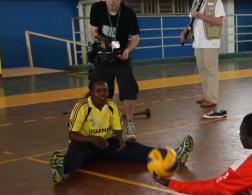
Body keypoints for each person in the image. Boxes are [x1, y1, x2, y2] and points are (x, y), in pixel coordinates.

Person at [49, 79, 193, 185]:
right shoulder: (81, 107)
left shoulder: (112, 105)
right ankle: (60, 170)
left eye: (105, 90)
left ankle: (175, 157)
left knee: (134, 149)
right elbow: (71, 135)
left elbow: (118, 128)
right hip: (85, 143)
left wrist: (121, 139)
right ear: (91, 93)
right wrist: (92, 139)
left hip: (106, 143)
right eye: (98, 91)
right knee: (75, 157)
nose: (102, 94)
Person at [89, 0, 141, 141]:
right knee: (102, 91)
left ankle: (130, 124)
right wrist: (101, 39)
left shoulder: (128, 13)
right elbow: (93, 30)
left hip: (121, 56)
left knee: (128, 88)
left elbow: (135, 38)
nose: (112, 2)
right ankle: (107, 124)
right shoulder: (97, 8)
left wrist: (128, 50)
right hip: (103, 56)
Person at [180, 0, 227, 120]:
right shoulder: (196, 2)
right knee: (202, 70)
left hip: (210, 41)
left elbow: (219, 21)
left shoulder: (217, 2)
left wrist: (201, 16)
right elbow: (193, 21)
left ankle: (212, 98)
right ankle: (207, 96)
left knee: (211, 70)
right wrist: (185, 31)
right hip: (198, 42)